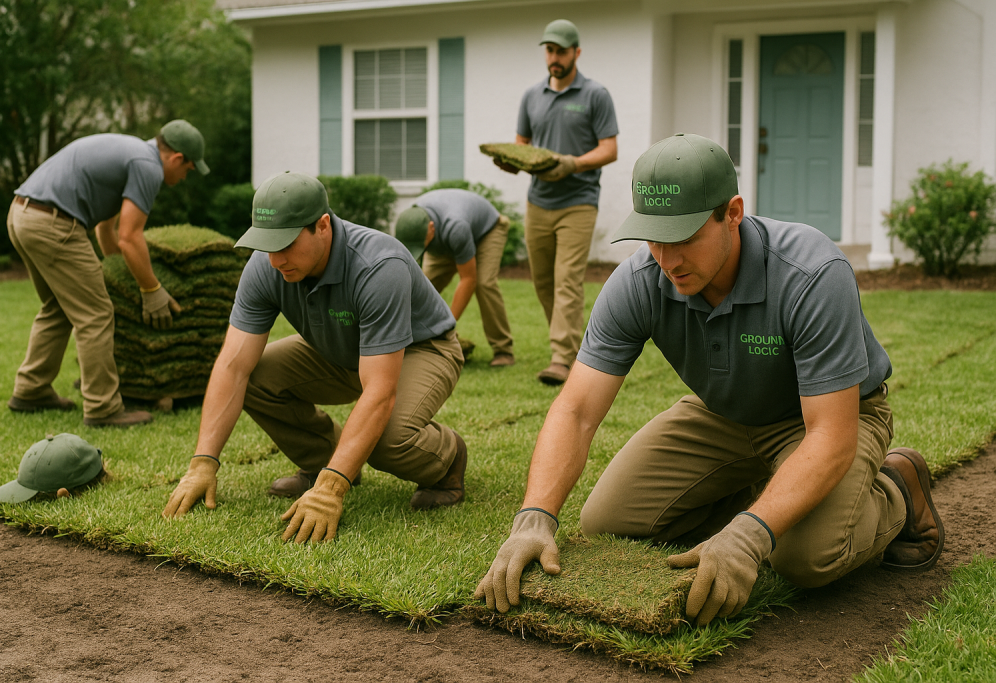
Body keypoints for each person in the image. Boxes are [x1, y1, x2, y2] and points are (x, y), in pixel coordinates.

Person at [475, 134, 944, 625]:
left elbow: (830, 435)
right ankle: (770, 495)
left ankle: (897, 487)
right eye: (654, 238)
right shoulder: (638, 282)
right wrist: (534, 519)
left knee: (804, 559)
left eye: (683, 238)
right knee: (607, 521)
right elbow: (575, 411)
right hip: (722, 414)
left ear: (733, 213)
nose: (667, 259)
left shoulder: (811, 273)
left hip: (823, 420)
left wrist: (749, 536)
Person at [162, 172, 467, 543]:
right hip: (339, 348)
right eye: (267, 245)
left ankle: (448, 456)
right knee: (256, 377)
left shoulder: (378, 265)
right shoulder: (266, 265)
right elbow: (233, 366)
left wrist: (330, 490)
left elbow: (380, 391)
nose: (275, 259)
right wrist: (202, 464)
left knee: (387, 442)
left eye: (286, 244)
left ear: (322, 226)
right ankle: (323, 459)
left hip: (421, 348)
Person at [7, 119, 209, 427]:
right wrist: (151, 289)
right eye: (188, 170)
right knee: (96, 314)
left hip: (22, 214)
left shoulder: (131, 153)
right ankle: (103, 408)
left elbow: (106, 229)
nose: (184, 178)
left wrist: (121, 271)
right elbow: (130, 236)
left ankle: (31, 389)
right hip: (53, 223)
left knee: (58, 307)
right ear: (177, 158)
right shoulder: (148, 166)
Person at [495, 18, 618, 385]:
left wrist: (573, 164)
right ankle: (572, 346)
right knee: (544, 281)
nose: (554, 57)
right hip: (539, 201)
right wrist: (513, 161)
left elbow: (609, 149)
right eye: (549, 50)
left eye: (561, 51)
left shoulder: (595, 95)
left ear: (576, 53)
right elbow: (522, 144)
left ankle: (562, 358)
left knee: (567, 280)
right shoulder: (531, 96)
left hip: (579, 200)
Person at [395, 188, 515, 367]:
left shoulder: (456, 227)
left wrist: (445, 328)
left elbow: (468, 279)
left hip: (487, 232)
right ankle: (411, 343)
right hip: (443, 240)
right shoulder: (411, 221)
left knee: (484, 284)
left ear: (431, 229)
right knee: (422, 286)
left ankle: (503, 350)